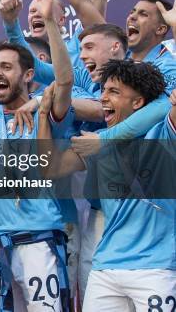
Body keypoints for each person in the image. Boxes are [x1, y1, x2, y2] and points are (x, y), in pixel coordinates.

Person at [38, 59, 175, 311]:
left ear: (138, 102)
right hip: (106, 267)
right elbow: (51, 168)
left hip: (157, 269)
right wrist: (43, 115)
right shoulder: (94, 141)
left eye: (113, 92)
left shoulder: (163, 133)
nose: (103, 98)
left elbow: (170, 102)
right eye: (102, 90)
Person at [0, 0, 74, 311]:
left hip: (41, 241)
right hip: (0, 242)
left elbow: (64, 80)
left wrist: (50, 22)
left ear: (27, 75)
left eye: (6, 67)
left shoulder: (47, 111)